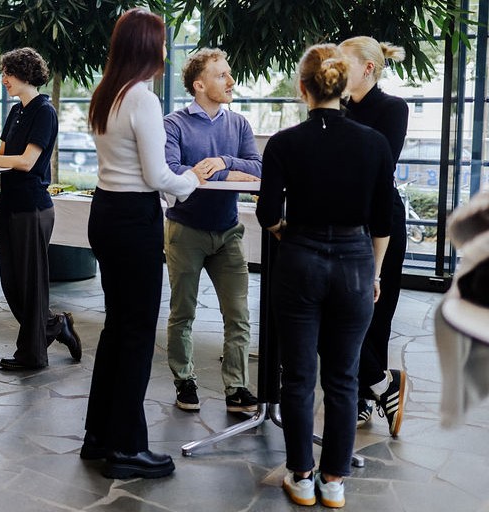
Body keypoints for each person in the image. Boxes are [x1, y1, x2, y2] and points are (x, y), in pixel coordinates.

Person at [257, 44, 394, 508]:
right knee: (343, 378)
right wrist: (374, 273)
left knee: (298, 377)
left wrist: (289, 235)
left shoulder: (284, 144)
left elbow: (268, 214)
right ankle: (333, 481)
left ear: (303, 88)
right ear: (343, 87)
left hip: (299, 260)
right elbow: (383, 220)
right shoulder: (373, 143)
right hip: (355, 262)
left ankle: (301, 476)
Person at [80, 8, 207, 480]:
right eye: (161, 41)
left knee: (118, 329)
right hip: (134, 219)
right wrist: (192, 180)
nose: (165, 50)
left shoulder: (107, 93)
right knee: (135, 335)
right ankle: (126, 449)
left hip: (105, 212)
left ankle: (98, 436)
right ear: (148, 47)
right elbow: (157, 176)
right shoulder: (142, 98)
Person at [0, 47, 81, 371]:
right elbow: (2, 156)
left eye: (7, 73)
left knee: (31, 286)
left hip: (32, 207)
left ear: (25, 73)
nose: (4, 79)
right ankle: (55, 325)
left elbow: (26, 162)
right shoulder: (15, 111)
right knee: (12, 284)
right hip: (9, 204)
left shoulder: (44, 111)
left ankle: (32, 355)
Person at [162, 48, 262, 413]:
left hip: (228, 231)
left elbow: (258, 169)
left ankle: (236, 388)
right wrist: (229, 173)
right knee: (182, 314)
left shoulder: (239, 125)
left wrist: (222, 163)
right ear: (199, 85)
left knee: (238, 316)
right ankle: (184, 381)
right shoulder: (173, 124)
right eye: (222, 75)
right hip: (185, 231)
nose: (231, 81)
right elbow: (172, 171)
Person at [340, 36, 410, 437]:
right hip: (342, 219)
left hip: (381, 220)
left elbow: (382, 164)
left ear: (368, 68)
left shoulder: (393, 108)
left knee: (376, 314)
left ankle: (364, 395)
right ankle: (383, 384)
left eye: (343, 61)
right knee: (342, 311)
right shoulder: (337, 109)